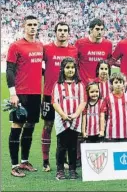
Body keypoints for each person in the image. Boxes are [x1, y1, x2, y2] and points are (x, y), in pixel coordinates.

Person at [7, 15, 43, 177]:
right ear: (23, 26)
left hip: (36, 93)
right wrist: (13, 94)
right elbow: (10, 70)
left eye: (35, 24)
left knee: (30, 127)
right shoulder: (16, 46)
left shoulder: (40, 45)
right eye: (29, 24)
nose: (33, 27)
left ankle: (24, 161)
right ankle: (14, 165)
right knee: (16, 127)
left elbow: (38, 69)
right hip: (20, 94)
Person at [41, 22, 77, 172]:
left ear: (69, 33)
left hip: (68, 96)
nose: (62, 33)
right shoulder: (46, 49)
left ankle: (65, 159)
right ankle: (45, 160)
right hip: (49, 94)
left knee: (67, 128)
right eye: (60, 30)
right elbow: (38, 65)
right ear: (55, 32)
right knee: (48, 126)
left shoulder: (74, 50)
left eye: (65, 30)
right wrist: (47, 74)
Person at [52, 57, 86, 180]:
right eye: (67, 67)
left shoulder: (80, 85)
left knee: (73, 146)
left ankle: (72, 170)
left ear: (75, 69)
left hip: (75, 119)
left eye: (72, 67)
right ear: (62, 69)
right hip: (62, 120)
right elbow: (55, 102)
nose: (70, 70)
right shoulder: (58, 85)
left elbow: (83, 101)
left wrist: (76, 114)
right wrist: (63, 115)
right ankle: (60, 170)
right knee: (61, 146)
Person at [75, 18, 112, 85]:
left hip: (101, 84)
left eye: (102, 29)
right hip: (84, 84)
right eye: (97, 29)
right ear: (91, 30)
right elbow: (75, 62)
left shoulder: (108, 44)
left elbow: (109, 62)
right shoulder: (80, 43)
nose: (100, 32)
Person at [100, 72, 127, 142]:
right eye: (116, 82)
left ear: (124, 84)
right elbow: (102, 114)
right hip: (111, 133)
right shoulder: (108, 98)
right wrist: (102, 129)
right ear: (112, 85)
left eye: (120, 82)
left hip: (125, 132)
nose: (118, 84)